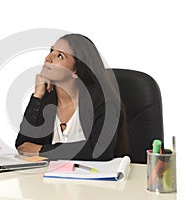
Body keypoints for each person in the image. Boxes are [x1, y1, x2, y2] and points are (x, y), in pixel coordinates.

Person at [15, 33, 129, 161]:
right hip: (48, 179)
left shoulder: (102, 101)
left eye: (59, 56)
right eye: (51, 51)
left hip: (95, 179)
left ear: (76, 70)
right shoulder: (46, 98)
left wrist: (42, 150)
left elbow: (100, 151)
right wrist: (37, 97)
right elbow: (23, 146)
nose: (48, 58)